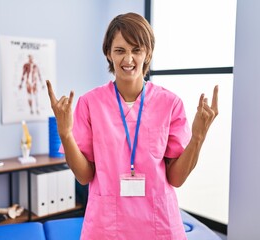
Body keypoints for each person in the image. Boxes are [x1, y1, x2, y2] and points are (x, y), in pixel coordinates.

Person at [47, 12, 218, 240]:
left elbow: (176, 178)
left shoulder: (170, 104)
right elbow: (84, 176)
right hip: (106, 226)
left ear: (147, 53)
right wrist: (65, 134)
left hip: (159, 224)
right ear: (108, 53)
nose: (128, 59)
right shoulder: (90, 104)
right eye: (120, 50)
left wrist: (198, 136)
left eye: (136, 50)